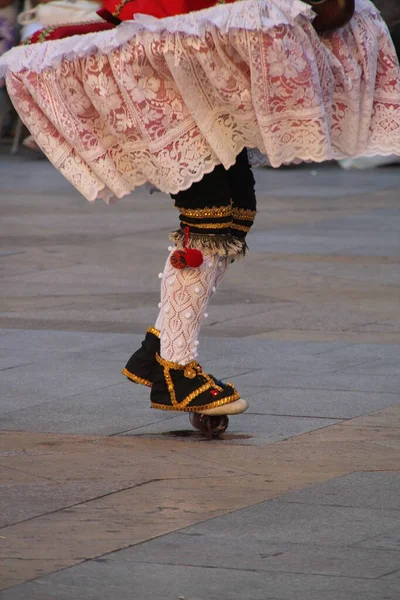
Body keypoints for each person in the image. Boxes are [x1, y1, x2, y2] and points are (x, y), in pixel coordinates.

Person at [1, 0, 400, 432]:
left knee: (235, 212)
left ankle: (160, 349)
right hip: (161, 54)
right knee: (209, 217)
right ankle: (175, 368)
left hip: (198, 60)